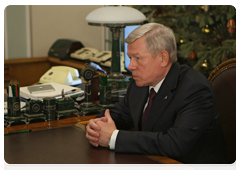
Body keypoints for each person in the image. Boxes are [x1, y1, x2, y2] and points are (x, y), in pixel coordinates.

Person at [86, 23, 227, 170]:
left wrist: (113, 137)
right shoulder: (141, 83)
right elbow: (119, 114)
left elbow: (175, 144)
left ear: (163, 58)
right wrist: (97, 126)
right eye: (129, 58)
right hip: (152, 163)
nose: (130, 66)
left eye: (138, 58)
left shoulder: (195, 89)